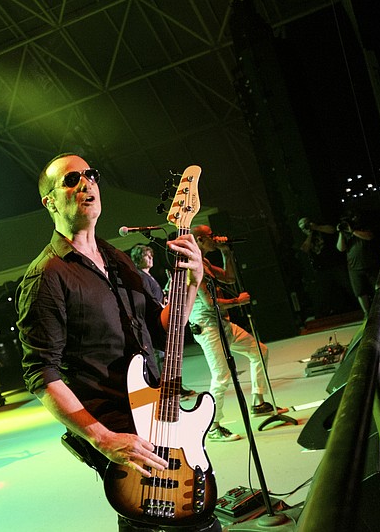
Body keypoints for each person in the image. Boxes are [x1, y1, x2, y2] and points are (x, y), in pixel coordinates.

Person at [16, 153, 218, 532]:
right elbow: (41, 374)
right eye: (71, 179)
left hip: (163, 418)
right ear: (50, 202)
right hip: (125, 441)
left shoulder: (119, 260)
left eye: (90, 175)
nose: (86, 183)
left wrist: (191, 284)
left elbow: (164, 331)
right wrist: (103, 438)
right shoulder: (47, 277)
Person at [187, 225, 282, 443]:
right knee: (221, 376)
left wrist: (226, 252)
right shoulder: (193, 267)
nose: (215, 238)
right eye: (211, 237)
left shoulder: (206, 262)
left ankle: (258, 402)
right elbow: (210, 304)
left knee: (259, 350)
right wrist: (237, 302)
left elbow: (229, 278)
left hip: (223, 323)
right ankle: (213, 426)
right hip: (208, 327)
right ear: (200, 240)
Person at [129, 244, 195, 398]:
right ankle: (167, 389)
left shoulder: (147, 276)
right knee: (162, 358)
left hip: (159, 317)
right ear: (138, 258)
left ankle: (174, 387)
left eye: (151, 255)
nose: (151, 258)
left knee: (166, 357)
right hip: (155, 322)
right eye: (147, 255)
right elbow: (148, 300)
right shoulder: (140, 276)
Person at [297, 217, 354, 318]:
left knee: (348, 284)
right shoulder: (304, 237)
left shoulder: (320, 227)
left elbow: (332, 230)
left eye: (307, 224)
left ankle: (357, 304)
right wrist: (310, 233)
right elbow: (304, 249)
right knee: (326, 291)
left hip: (335, 263)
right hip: (321, 269)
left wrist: (316, 228)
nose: (306, 227)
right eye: (303, 227)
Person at [335, 209, 380, 314]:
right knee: (360, 292)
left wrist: (353, 231)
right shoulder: (345, 233)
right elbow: (341, 248)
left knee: (379, 289)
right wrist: (341, 233)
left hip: (370, 264)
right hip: (354, 267)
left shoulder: (363, 227)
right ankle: (367, 313)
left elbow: (369, 236)